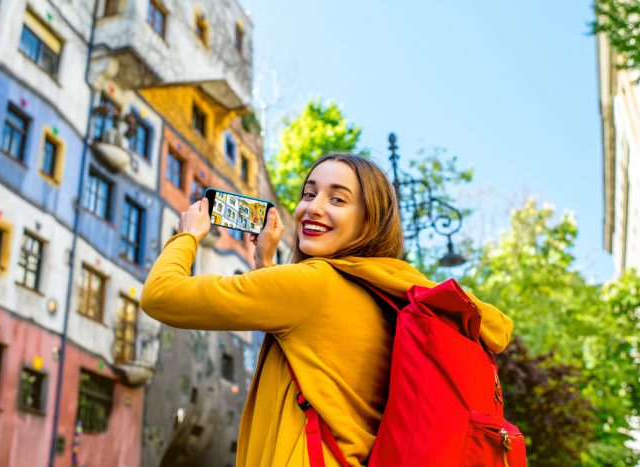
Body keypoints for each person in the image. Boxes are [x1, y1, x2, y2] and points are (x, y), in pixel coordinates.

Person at [141, 153, 513, 466]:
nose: (313, 208)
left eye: (337, 199)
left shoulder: (313, 285)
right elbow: (311, 351)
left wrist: (187, 235)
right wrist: (266, 265)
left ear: (370, 220)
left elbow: (161, 295)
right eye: (309, 194)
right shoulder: (388, 291)